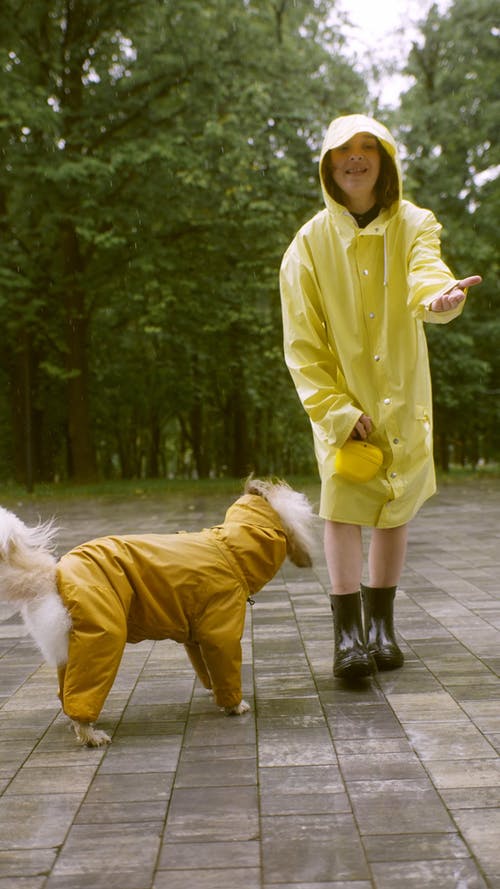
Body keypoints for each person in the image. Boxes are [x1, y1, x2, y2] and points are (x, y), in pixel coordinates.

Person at [279, 113, 482, 681]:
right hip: (342, 397)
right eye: (344, 149)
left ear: (385, 158)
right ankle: (347, 636)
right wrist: (336, 411)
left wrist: (441, 297)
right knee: (343, 503)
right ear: (328, 163)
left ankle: (381, 626)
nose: (356, 157)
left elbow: (426, 273)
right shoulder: (307, 246)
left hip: (401, 389)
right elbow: (302, 342)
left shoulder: (415, 222)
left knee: (396, 507)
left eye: (368, 146)